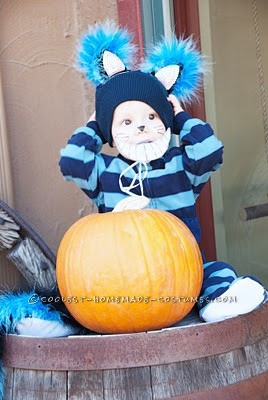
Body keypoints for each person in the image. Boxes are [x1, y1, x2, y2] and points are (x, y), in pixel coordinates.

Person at [59, 22, 266, 322]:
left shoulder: (180, 165)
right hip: (120, 281)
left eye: (152, 116)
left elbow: (210, 151)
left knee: (217, 272)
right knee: (79, 292)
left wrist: (180, 116)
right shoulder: (105, 173)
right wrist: (96, 124)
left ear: (166, 124)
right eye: (126, 122)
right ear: (111, 137)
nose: (141, 126)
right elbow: (72, 161)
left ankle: (219, 302)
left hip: (185, 272)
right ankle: (54, 319)